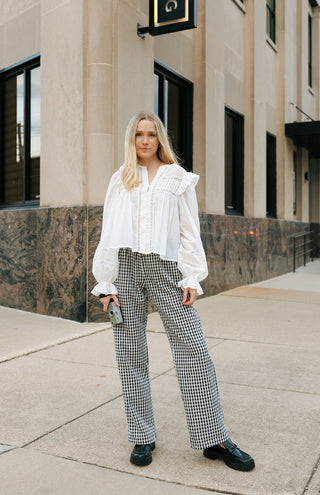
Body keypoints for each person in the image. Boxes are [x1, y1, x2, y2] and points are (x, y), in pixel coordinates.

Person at [91, 111, 255, 472]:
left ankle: (214, 437)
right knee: (130, 353)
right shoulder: (120, 179)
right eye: (139, 135)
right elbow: (109, 230)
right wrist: (105, 284)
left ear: (159, 138)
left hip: (166, 268)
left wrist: (192, 277)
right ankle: (142, 435)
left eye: (151, 134)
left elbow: (187, 230)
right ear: (131, 140)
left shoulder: (176, 178)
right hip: (126, 268)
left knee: (194, 349)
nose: (145, 141)